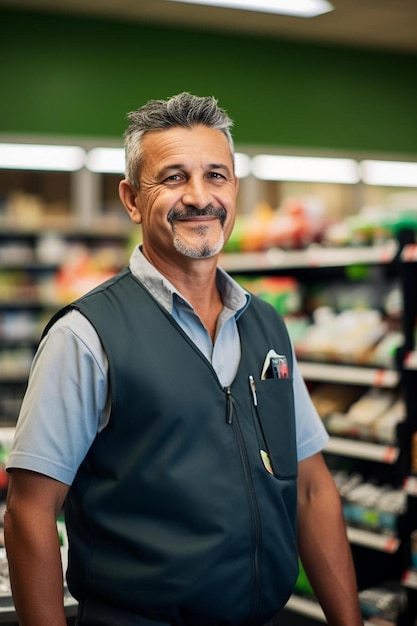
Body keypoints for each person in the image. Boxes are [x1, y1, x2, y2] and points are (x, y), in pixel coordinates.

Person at [4, 92, 363, 626]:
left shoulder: (267, 326)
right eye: (173, 178)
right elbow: (30, 514)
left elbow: (311, 489)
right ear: (130, 198)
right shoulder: (87, 335)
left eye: (216, 175)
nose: (200, 196)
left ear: (234, 189)